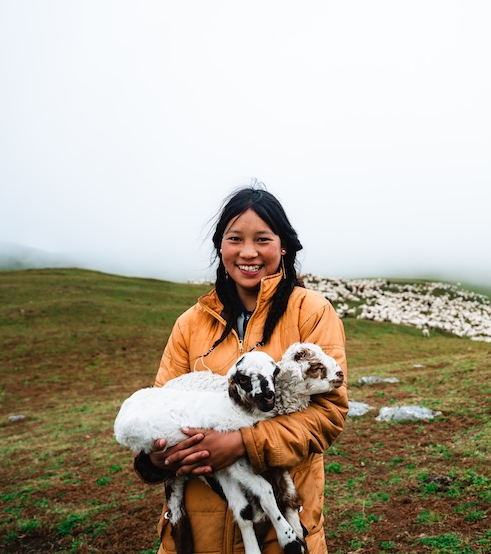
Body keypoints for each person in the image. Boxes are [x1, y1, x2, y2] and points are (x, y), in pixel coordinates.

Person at [131, 186, 349, 554]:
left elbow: (329, 414)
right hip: (197, 535)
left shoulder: (310, 312)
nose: (248, 252)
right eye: (235, 239)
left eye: (262, 239)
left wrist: (241, 444)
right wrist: (158, 457)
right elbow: (160, 407)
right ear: (221, 246)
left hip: (282, 530)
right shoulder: (190, 325)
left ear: (283, 247)